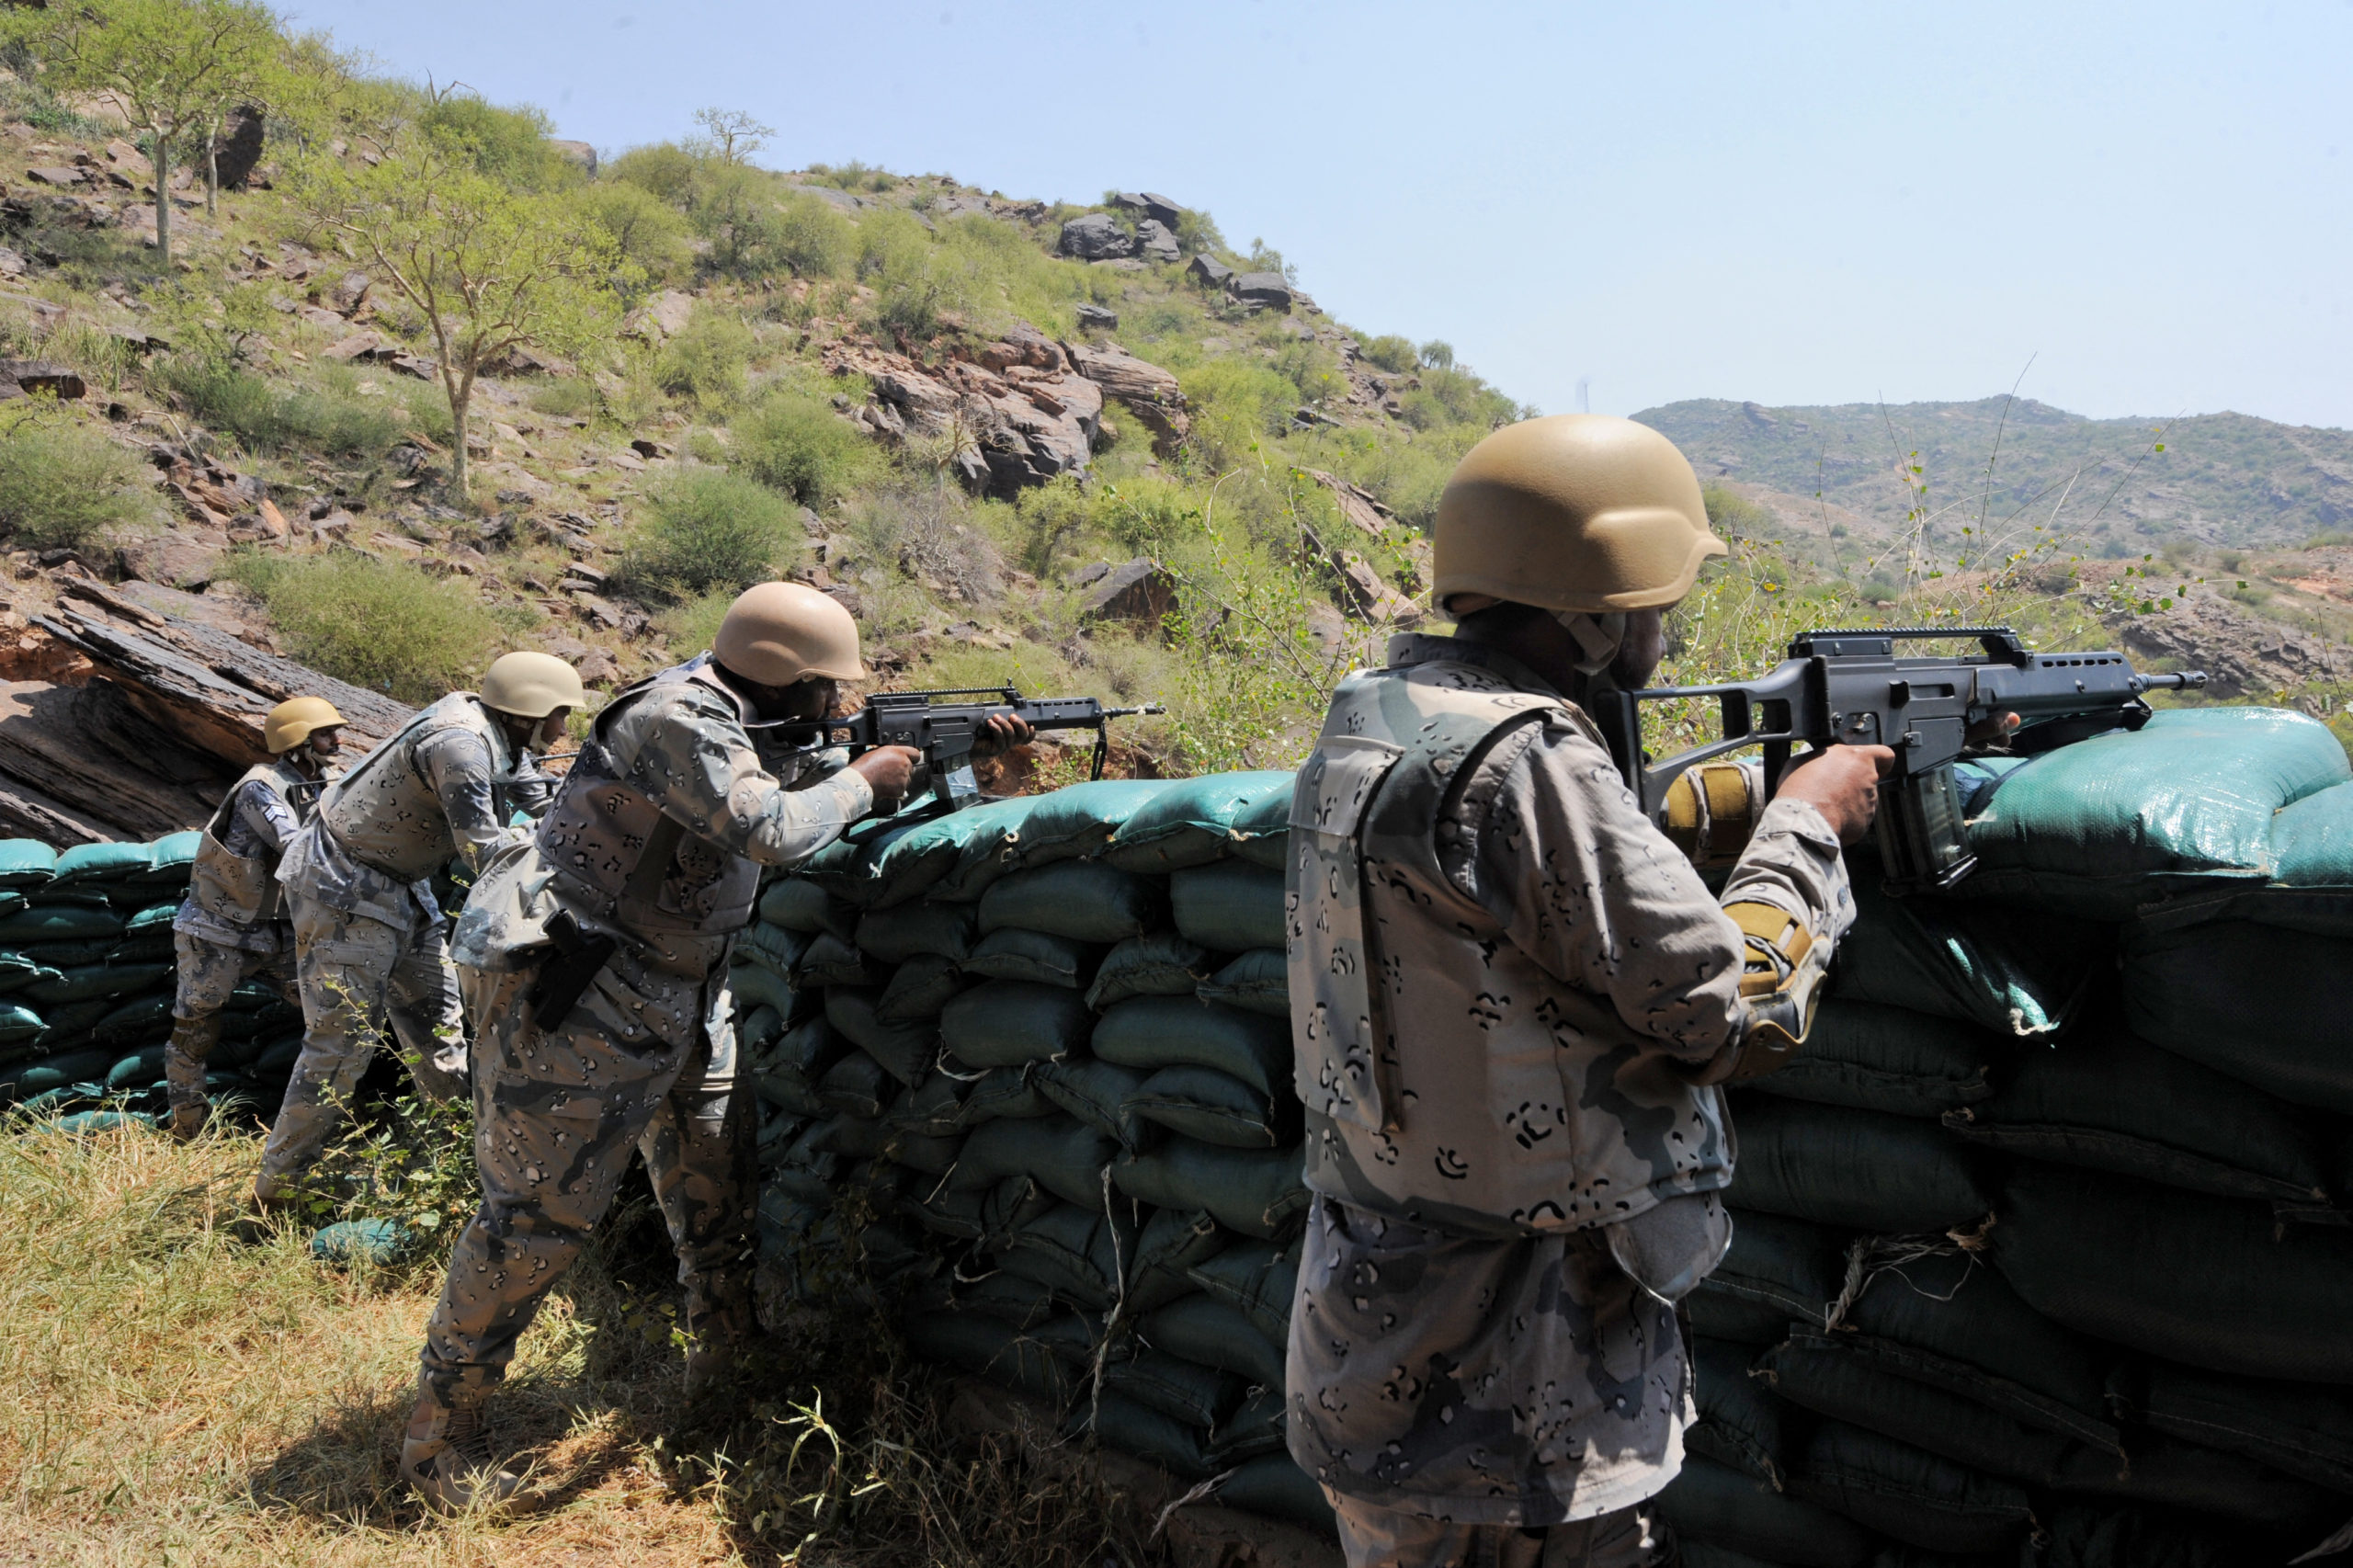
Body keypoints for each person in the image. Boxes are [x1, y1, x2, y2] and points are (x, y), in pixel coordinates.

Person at [1282, 415, 1896, 1568]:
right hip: (1517, 1393)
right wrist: (1807, 826)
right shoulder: (1524, 759)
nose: (1662, 624)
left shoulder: (1372, 720)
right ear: (1597, 608)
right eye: (1655, 598)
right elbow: (1724, 1006)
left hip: (1372, 1342)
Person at [398, 581, 1032, 1511]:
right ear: (781, 678)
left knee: (715, 1191)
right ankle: (436, 1442)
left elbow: (829, 795)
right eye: (826, 689)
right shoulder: (677, 717)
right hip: (584, 992)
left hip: (686, 990)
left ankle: (727, 1376)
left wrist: (971, 766)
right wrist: (867, 774)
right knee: (532, 1222)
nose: (837, 706)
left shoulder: (754, 720)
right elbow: (774, 828)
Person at [254, 651, 587, 1210]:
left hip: (402, 883)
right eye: (557, 714)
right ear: (526, 712)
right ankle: (277, 1192)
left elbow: (542, 799)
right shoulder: (459, 744)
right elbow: (485, 850)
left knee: (441, 1033)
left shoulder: (503, 736)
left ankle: (453, 1169)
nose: (563, 729)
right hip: (343, 886)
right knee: (341, 1044)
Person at [164, 696, 347, 1142]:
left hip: (284, 933)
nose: (338, 740)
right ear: (298, 740)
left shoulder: (333, 780)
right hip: (219, 931)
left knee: (332, 1022)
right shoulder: (260, 786)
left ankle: (329, 1124)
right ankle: (188, 1129)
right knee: (195, 1029)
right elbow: (295, 843)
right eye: (326, 733)